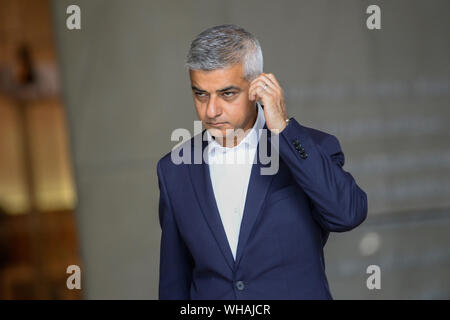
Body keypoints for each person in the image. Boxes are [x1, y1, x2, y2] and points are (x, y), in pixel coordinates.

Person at [156, 24, 367, 299]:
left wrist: (284, 130)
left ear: (258, 86)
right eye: (200, 94)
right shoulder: (174, 170)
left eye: (227, 93)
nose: (211, 110)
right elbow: (174, 281)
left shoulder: (310, 148)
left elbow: (348, 213)